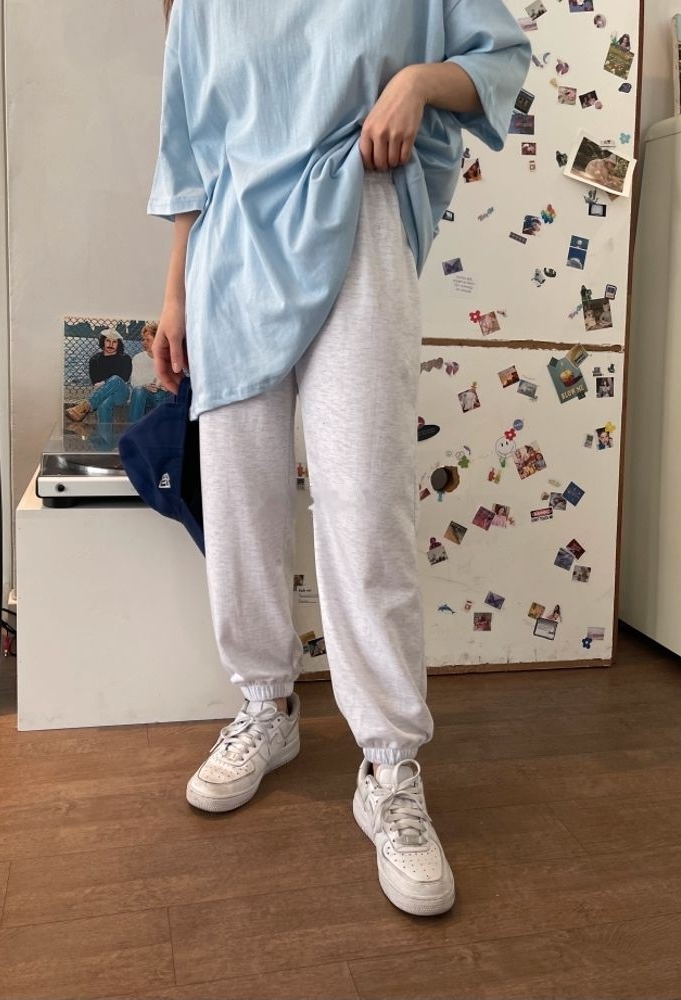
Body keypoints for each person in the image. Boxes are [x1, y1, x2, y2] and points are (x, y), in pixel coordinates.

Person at [147, 0, 531, 918]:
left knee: (366, 508)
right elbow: (191, 151)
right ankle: (265, 706)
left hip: (358, 213)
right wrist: (174, 296)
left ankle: (390, 766)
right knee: (240, 503)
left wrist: (418, 81)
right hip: (230, 248)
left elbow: (498, 56)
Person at [66, 328, 132, 425]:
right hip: (103, 394)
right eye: (108, 341)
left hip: (121, 393)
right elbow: (96, 383)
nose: (111, 344)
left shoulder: (125, 358)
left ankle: (84, 406)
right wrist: (104, 384)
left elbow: (124, 378)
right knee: (103, 404)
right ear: (103, 341)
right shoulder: (95, 359)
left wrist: (104, 382)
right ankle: (104, 434)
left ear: (118, 344)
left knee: (116, 379)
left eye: (114, 342)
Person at [128, 321, 171, 422]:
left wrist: (166, 386)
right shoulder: (138, 358)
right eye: (143, 339)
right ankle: (134, 429)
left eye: (148, 340)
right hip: (144, 395)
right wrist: (146, 385)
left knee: (161, 395)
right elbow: (134, 382)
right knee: (139, 391)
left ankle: (160, 430)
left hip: (161, 395)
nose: (144, 343)